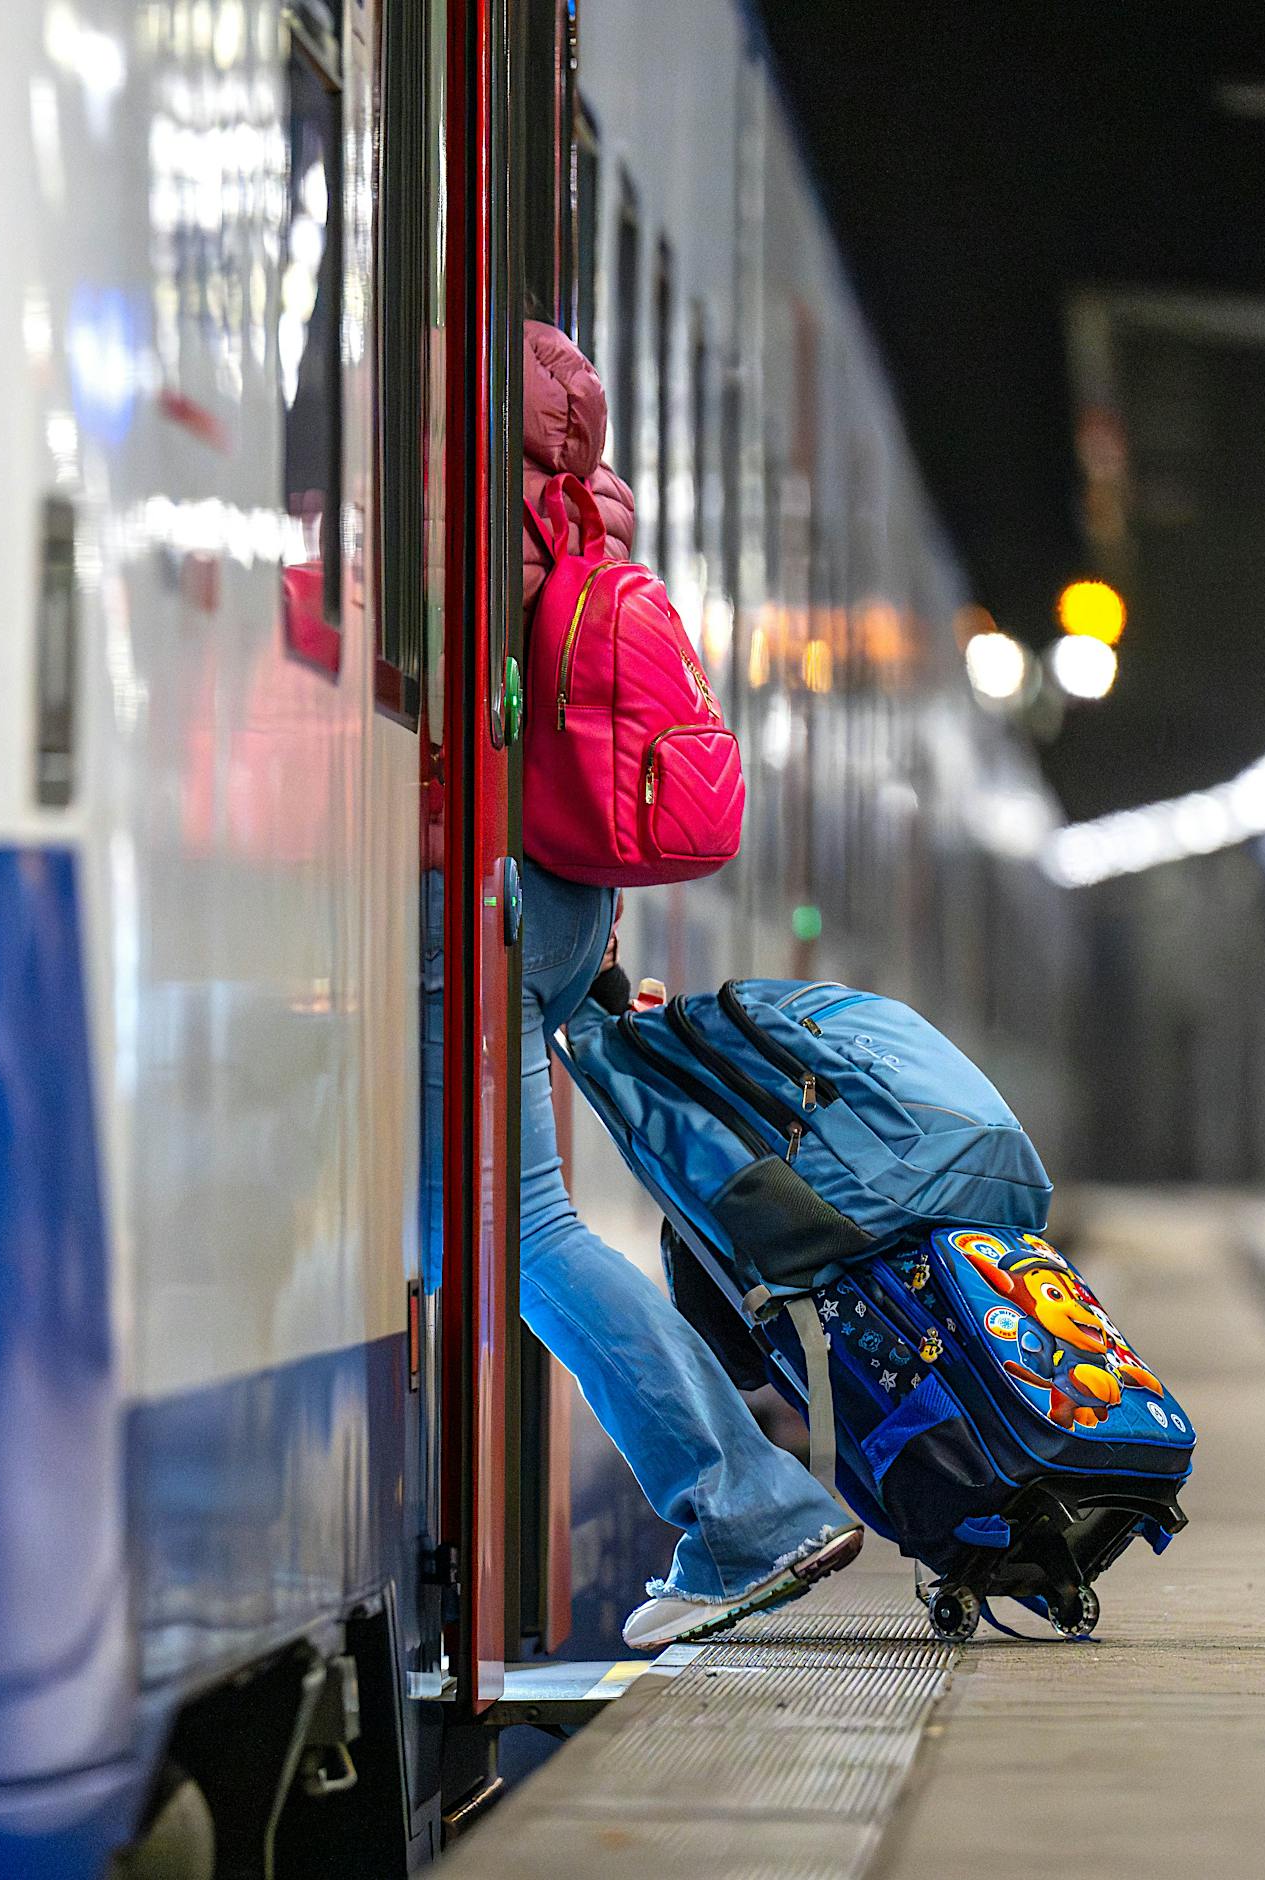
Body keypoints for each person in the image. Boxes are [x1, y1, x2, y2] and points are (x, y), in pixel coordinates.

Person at [488, 320, 863, 1648]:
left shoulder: (453, 503)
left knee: (519, 1233)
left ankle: (749, 1506)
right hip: (562, 903)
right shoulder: (568, 515)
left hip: (474, 898)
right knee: (489, 1230)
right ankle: (747, 1496)